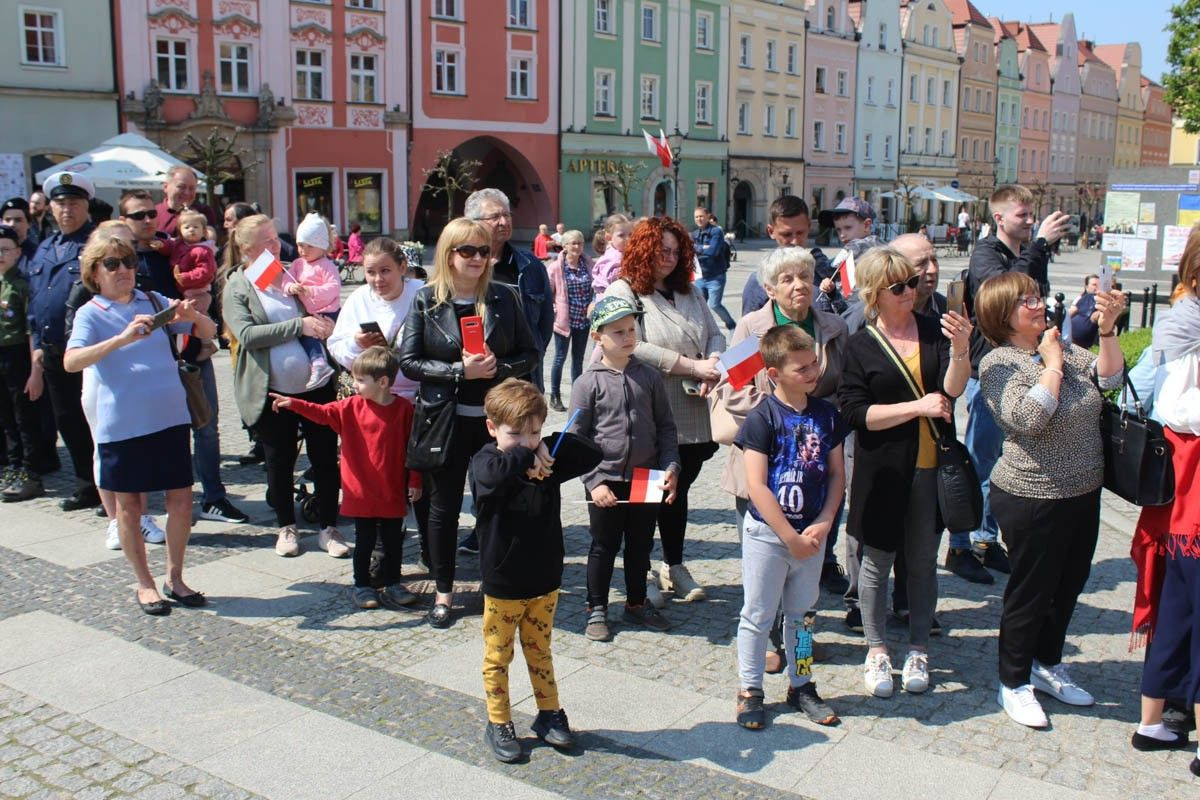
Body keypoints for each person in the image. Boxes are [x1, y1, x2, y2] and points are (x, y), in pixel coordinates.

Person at [974, 271, 1124, 727]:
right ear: (1004, 316)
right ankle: (1013, 681)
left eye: (1037, 297)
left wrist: (1107, 329)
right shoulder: (1000, 362)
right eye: (1025, 302)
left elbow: (1111, 381)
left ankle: (1046, 664)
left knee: (1068, 586)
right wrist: (1053, 365)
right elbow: (1028, 417)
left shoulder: (1060, 344)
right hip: (1031, 493)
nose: (1037, 305)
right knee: (1031, 592)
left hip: (1083, 489)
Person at [839, 247, 971, 698]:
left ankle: (918, 647)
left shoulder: (934, 329)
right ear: (876, 293)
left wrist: (960, 351)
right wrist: (916, 406)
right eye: (899, 287)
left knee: (922, 564)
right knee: (876, 562)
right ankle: (876, 649)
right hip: (882, 470)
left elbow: (951, 391)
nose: (910, 292)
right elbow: (856, 414)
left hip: (930, 467)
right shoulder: (859, 343)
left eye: (912, 284)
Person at [63, 229, 215, 615]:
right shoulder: (90, 312)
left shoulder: (152, 299)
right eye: (112, 264)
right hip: (123, 423)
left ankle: (175, 577)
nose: (123, 270)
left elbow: (209, 334)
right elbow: (71, 361)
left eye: (128, 262)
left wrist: (192, 315)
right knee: (130, 507)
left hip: (169, 417)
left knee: (181, 500)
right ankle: (144, 584)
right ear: (95, 273)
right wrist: (122, 339)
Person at [398, 218, 539, 629]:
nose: (478, 258)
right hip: (445, 421)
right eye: (468, 251)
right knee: (442, 509)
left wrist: (499, 369)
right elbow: (408, 362)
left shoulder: (503, 297)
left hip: (496, 424)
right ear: (449, 254)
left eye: (483, 250)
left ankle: (499, 585)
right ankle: (444, 590)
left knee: (497, 504)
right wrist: (460, 372)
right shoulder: (426, 300)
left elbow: (531, 353)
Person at [472, 378, 601, 762]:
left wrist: (547, 444)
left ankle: (549, 714)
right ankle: (499, 721)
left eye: (534, 432)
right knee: (498, 656)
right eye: (516, 433)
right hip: (504, 581)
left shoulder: (544, 457)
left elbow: (590, 453)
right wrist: (526, 456)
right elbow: (493, 477)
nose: (527, 441)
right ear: (492, 427)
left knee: (540, 651)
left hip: (544, 579)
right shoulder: (487, 462)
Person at [950, 185, 1071, 585]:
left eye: (1032, 214)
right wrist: (1038, 246)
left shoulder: (1023, 253)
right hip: (989, 371)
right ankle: (960, 545)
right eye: (1022, 215)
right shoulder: (986, 254)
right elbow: (1008, 294)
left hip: (1021, 366)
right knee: (979, 461)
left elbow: (1034, 296)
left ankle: (986, 540)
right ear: (999, 218)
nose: (1031, 221)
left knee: (1003, 460)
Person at [714, 247, 849, 593]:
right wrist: (786, 416)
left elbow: (846, 388)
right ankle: (770, 642)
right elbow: (733, 389)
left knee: (809, 571)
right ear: (770, 290)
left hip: (816, 464)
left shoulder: (833, 327)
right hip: (764, 459)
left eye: (804, 275)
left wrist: (819, 417)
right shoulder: (752, 327)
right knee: (765, 573)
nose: (799, 285)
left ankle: (802, 644)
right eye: (787, 279)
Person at [604, 216, 724, 606]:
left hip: (692, 408)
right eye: (662, 251)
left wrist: (717, 358)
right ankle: (641, 567)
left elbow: (716, 330)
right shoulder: (624, 291)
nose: (670, 259)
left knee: (679, 492)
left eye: (676, 251)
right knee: (648, 495)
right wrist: (692, 366)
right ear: (643, 250)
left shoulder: (688, 291)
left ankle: (675, 564)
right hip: (650, 407)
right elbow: (633, 344)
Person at [734, 325, 846, 730]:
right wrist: (788, 537)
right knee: (758, 615)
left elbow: (836, 475)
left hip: (812, 535)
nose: (813, 371)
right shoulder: (762, 417)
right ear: (775, 373)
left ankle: (802, 683)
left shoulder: (826, 415)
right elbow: (756, 485)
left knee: (803, 616)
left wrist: (824, 521)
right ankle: (750, 689)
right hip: (770, 534)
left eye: (814, 362)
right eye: (802, 367)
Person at [120, 190, 248, 525]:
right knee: (155, 433)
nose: (147, 220)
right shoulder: (120, 259)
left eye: (151, 214)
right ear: (125, 221)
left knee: (206, 427)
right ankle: (158, 508)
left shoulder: (177, 247)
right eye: (138, 216)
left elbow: (204, 289)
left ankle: (214, 498)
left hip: (192, 354)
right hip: (146, 363)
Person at [222, 214, 345, 559]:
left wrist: (322, 325)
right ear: (247, 249)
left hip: (315, 384)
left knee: (324, 455)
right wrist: (299, 326)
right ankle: (286, 526)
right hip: (272, 389)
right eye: (267, 241)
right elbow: (247, 335)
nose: (277, 246)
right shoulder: (239, 285)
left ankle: (328, 526)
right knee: (279, 458)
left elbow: (322, 304)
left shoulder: (289, 271)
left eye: (277, 239)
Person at [270, 347, 423, 610]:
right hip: (361, 490)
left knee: (392, 541)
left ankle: (394, 582)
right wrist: (293, 404)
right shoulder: (350, 407)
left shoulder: (403, 409)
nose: (354, 385)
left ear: (383, 382)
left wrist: (415, 481)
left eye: (361, 380)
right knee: (363, 541)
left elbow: (414, 449)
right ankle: (362, 585)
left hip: (391, 489)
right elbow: (321, 412)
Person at [568, 296, 680, 640]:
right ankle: (597, 606)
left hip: (647, 477)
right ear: (598, 336)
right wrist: (594, 481)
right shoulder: (588, 383)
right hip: (605, 480)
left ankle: (635, 602)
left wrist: (671, 467)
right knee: (603, 545)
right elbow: (575, 438)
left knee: (641, 544)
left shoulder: (648, 377)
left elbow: (665, 427)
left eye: (632, 329)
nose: (629, 337)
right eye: (619, 332)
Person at [1129, 235, 1200, 770]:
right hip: (1192, 499)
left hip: (1174, 505)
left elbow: (1142, 394)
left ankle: (1152, 723)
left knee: (1175, 612)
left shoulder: (1176, 331)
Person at [26, 171, 100, 511]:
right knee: (67, 420)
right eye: (60, 204)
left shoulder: (95, 245)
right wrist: (38, 346)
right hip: (53, 351)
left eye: (73, 203)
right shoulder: (45, 247)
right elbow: (35, 298)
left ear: (86, 206)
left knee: (94, 421)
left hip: (87, 350)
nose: (66, 210)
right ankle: (86, 484)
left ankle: (107, 488)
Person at [464, 188, 553, 392]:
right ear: (473, 221)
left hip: (520, 377)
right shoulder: (462, 264)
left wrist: (530, 355)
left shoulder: (529, 265)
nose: (504, 222)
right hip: (471, 376)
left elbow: (545, 321)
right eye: (495, 217)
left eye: (507, 215)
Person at [0, 225, 44, 501]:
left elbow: (31, 329)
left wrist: (34, 369)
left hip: (18, 356)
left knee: (24, 417)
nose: (0, 255)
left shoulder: (23, 285)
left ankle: (31, 472)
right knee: (5, 418)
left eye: (5, 250)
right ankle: (12, 467)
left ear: (17, 252)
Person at [741, 196, 833, 316]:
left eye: (800, 233)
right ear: (771, 231)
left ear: (809, 228)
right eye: (786, 234)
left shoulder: (826, 273)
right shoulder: (760, 281)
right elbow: (751, 330)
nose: (794, 241)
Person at [283, 212, 342, 390]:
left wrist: (311, 291)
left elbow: (334, 287)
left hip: (328, 310)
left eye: (310, 246)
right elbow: (287, 279)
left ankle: (330, 364)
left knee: (324, 336)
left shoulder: (327, 265)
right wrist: (290, 288)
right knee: (307, 334)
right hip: (310, 312)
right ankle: (318, 362)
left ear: (322, 246)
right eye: (300, 245)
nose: (304, 250)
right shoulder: (298, 264)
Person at [545, 229, 593, 412]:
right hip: (564, 321)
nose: (577, 246)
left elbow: (595, 287)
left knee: (578, 359)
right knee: (559, 358)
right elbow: (547, 294)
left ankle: (577, 396)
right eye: (573, 243)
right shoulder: (556, 268)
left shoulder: (587, 264)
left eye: (580, 243)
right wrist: (555, 311)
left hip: (583, 320)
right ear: (564, 246)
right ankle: (555, 396)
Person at [692, 206, 736, 331]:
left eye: (701, 216)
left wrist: (697, 248)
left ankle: (732, 326)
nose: (699, 219)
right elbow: (690, 251)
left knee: (714, 304)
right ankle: (702, 331)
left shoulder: (716, 231)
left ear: (707, 217)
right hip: (701, 276)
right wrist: (703, 248)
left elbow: (713, 251)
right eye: (696, 217)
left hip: (716, 276)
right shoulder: (694, 234)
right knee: (700, 306)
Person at [167, 209, 217, 312]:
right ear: (180, 231)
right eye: (187, 227)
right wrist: (161, 245)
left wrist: (186, 277)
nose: (191, 230)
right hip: (183, 290)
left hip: (197, 291)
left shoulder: (203, 250)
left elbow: (205, 271)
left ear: (204, 232)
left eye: (196, 227)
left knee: (197, 316)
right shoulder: (179, 245)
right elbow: (168, 247)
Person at [155, 165, 218, 235]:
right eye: (181, 187)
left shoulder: (204, 212)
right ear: (165, 187)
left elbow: (210, 240)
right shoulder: (153, 214)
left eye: (192, 188)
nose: (187, 192)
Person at [590, 213, 633, 298]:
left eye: (630, 235)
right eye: (621, 235)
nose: (628, 239)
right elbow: (616, 283)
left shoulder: (618, 253)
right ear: (609, 238)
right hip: (607, 298)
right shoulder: (615, 258)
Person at [1066, 274, 1101, 348]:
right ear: (1086, 287)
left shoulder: (1103, 302)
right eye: (1094, 285)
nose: (1097, 287)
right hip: (1069, 338)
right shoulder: (1086, 297)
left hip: (1083, 344)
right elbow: (1071, 312)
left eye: (1099, 285)